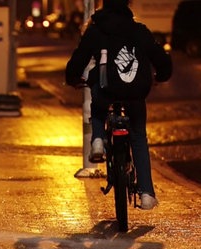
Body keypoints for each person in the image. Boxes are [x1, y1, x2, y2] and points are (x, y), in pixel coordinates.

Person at [65, 0, 172, 210]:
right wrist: (161, 75)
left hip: (106, 90)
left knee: (98, 105)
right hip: (135, 94)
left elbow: (79, 58)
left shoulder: (96, 31)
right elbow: (161, 59)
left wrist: (73, 79)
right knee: (138, 136)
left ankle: (97, 139)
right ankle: (147, 193)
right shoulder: (139, 30)